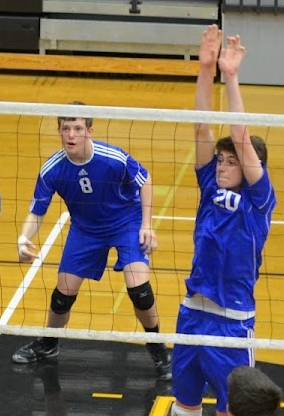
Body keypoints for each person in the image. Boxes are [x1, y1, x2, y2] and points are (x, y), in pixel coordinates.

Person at [155, 28, 278, 416]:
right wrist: (203, 70)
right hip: (192, 316)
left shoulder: (259, 201)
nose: (224, 165)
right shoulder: (209, 186)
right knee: (183, 415)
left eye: (231, 162)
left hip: (231, 324)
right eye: (221, 161)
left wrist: (231, 76)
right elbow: (202, 127)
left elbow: (240, 137)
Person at [12, 99, 170, 380]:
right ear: (59, 132)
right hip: (86, 229)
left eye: (77, 128)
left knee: (139, 290)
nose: (71, 135)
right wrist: (24, 238)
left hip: (125, 222)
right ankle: (49, 344)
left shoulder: (112, 159)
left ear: (89, 131)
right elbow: (37, 211)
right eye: (65, 129)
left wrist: (147, 225)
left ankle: (157, 347)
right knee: (62, 296)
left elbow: (144, 181)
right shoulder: (52, 169)